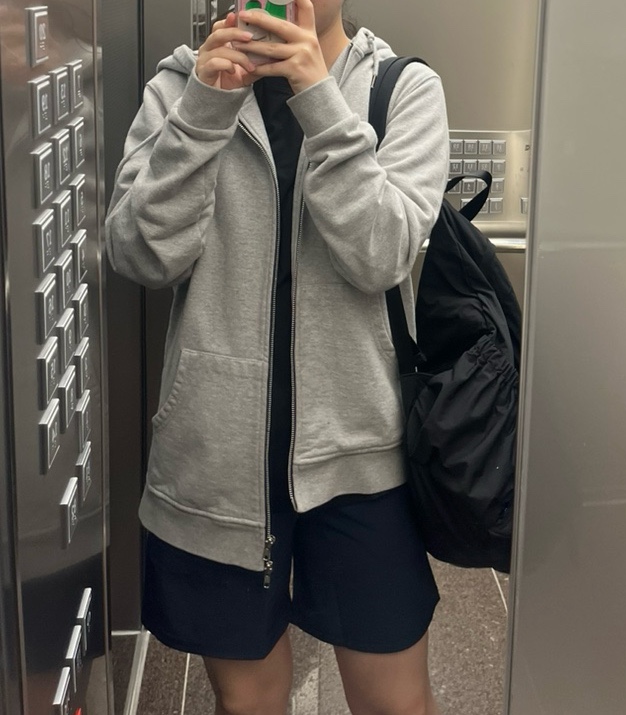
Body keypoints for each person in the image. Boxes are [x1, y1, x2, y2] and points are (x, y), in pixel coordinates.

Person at [106, 0, 449, 712]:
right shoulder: (181, 86)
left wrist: (318, 99)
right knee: (248, 702)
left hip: (361, 456)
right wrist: (205, 109)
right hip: (218, 461)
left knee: (394, 702)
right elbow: (141, 254)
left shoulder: (402, 89)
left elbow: (381, 255)